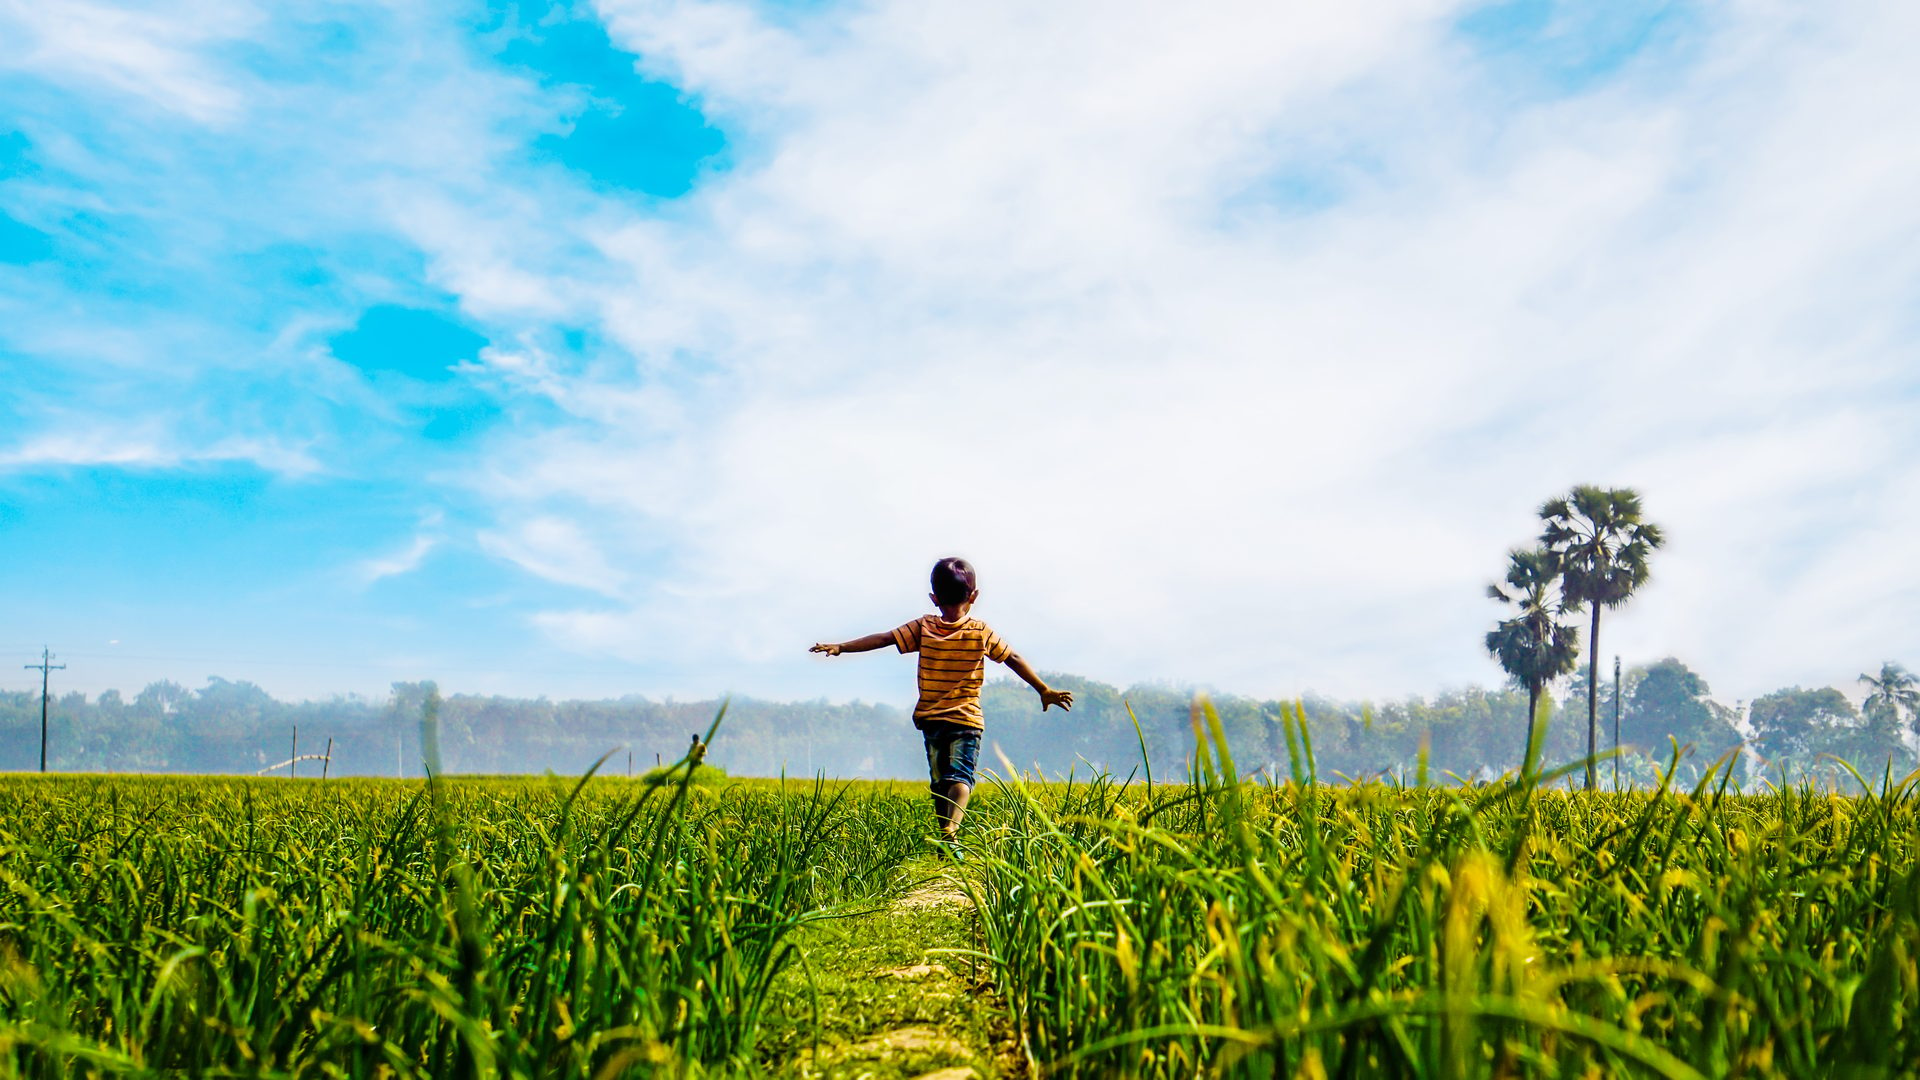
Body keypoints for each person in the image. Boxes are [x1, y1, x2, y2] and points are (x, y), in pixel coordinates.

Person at [811, 556, 1072, 848]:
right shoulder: (980, 631)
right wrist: (1043, 689)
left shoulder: (924, 627)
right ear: (974, 596)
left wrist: (841, 647)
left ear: (933, 598)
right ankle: (952, 831)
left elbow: (884, 639)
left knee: (940, 784)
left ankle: (946, 840)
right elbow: (1012, 658)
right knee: (960, 777)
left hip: (932, 719)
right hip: (966, 719)